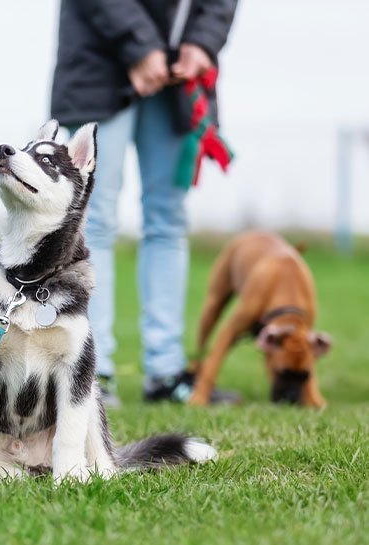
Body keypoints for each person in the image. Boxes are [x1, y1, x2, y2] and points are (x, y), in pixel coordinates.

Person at [51, 0, 238, 406]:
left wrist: (202, 43)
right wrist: (141, 47)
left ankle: (166, 373)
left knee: (169, 220)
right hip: (98, 65)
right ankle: (91, 372)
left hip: (177, 77)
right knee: (92, 220)